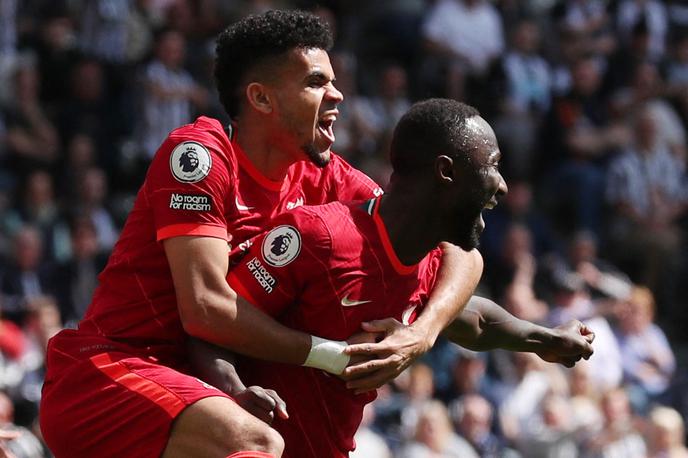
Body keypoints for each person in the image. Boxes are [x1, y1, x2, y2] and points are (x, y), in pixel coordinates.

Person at [39, 10, 482, 458]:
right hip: (110, 374)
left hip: (193, 393)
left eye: (333, 81)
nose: (337, 94)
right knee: (256, 441)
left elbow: (452, 241)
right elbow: (207, 310)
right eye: (315, 83)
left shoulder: (328, 180)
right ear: (262, 98)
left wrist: (422, 333)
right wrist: (331, 354)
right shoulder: (201, 156)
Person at [219, 99, 594, 457]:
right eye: (492, 165)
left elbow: (471, 319)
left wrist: (546, 339)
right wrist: (236, 391)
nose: (502, 185)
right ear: (446, 172)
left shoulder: (428, 261)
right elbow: (216, 324)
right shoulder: (320, 236)